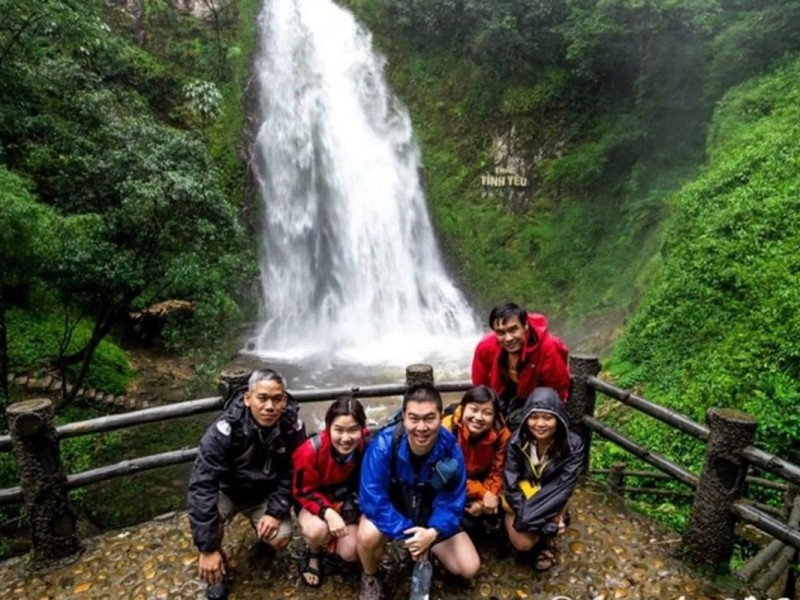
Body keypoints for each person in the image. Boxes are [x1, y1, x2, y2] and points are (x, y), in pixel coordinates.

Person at [187, 369, 306, 600]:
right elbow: (202, 484)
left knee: (281, 535)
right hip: (227, 490)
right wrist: (207, 549)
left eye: (277, 399)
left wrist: (275, 511)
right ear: (247, 398)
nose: (269, 406)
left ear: (284, 399)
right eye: (262, 398)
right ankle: (217, 573)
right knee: (211, 519)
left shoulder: (292, 427)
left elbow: (293, 471)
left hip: (264, 493)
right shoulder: (223, 430)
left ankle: (264, 541)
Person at [356, 383, 480, 600]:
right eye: (414, 418)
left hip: (429, 514)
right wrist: (410, 534)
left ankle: (429, 550)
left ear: (440, 417)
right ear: (404, 417)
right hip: (397, 511)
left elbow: (453, 500)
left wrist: (432, 533)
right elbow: (373, 498)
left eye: (429, 418)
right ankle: (370, 576)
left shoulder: (450, 448)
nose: (421, 427)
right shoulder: (384, 445)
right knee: (367, 535)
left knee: (468, 567)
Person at [502, 387, 583, 572]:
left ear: (559, 419)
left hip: (550, 495)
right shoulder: (516, 441)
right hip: (523, 497)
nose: (540, 424)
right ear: (525, 419)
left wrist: (534, 522)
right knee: (523, 544)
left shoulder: (573, 445)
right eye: (534, 417)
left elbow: (563, 486)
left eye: (547, 418)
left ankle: (545, 545)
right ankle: (521, 531)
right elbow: (511, 484)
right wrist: (537, 523)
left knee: (557, 512)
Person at [292, 396, 369, 588]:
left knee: (350, 552)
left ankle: (334, 541)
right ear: (328, 428)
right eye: (339, 430)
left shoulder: (366, 444)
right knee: (317, 530)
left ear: (362, 429)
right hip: (315, 499)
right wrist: (327, 512)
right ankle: (314, 553)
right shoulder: (309, 452)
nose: (346, 438)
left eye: (353, 430)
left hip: (347, 501)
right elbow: (302, 491)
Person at [472, 302, 571, 430]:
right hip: (501, 396)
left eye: (513, 330)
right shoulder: (486, 347)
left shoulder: (548, 348)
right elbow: (480, 386)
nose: (508, 338)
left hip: (538, 402)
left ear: (525, 325)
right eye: (501, 332)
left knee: (516, 424)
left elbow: (557, 389)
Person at [441, 385, 510, 536]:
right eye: (474, 409)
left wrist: (486, 499)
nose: (478, 417)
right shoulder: (447, 429)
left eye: (487, 413)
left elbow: (498, 471)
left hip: (481, 480)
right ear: (463, 408)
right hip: (451, 485)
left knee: (503, 507)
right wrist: (483, 494)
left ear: (495, 416)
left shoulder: (501, 435)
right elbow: (447, 476)